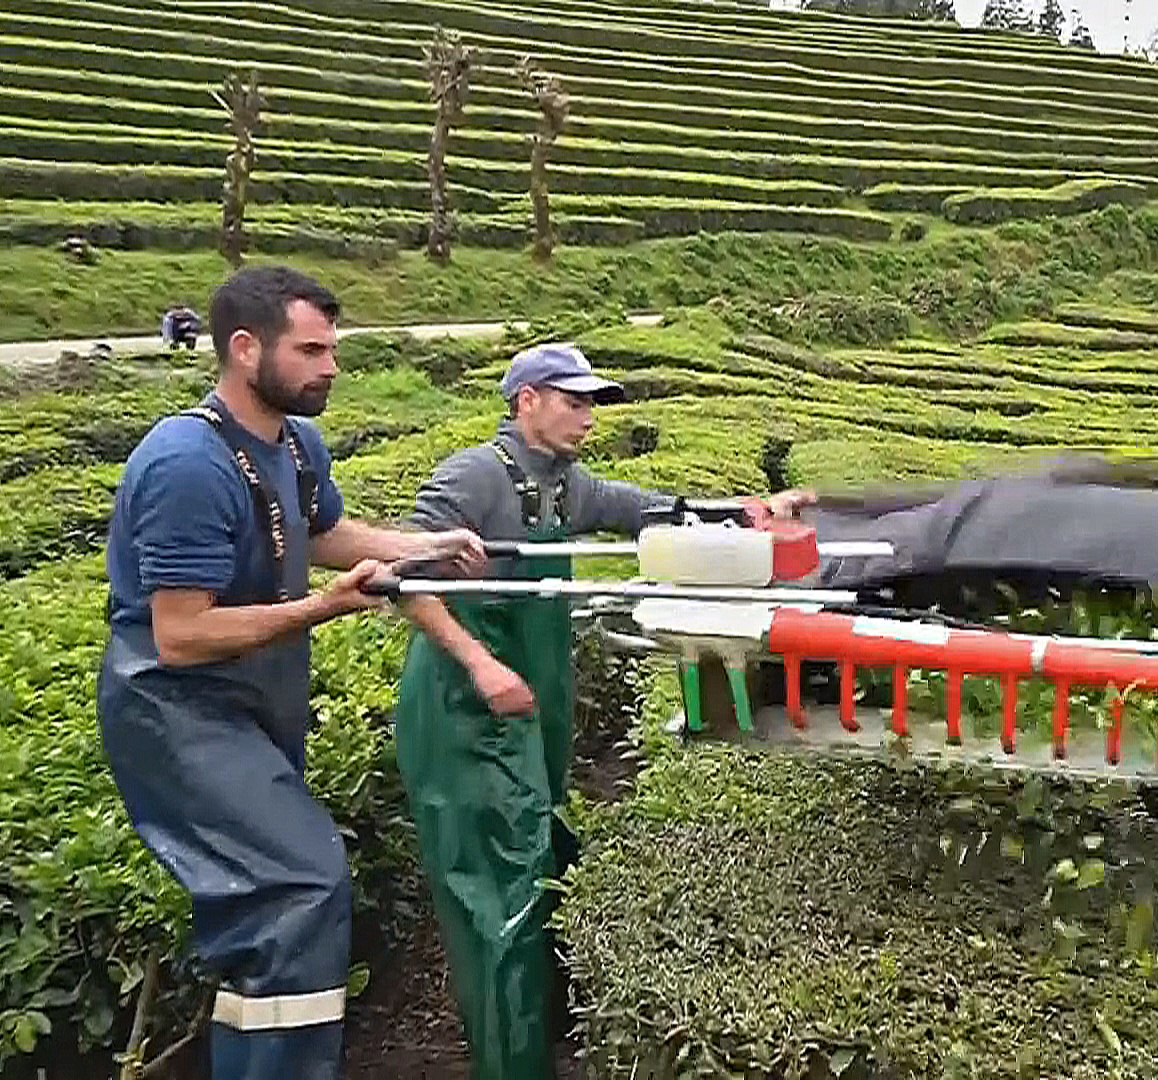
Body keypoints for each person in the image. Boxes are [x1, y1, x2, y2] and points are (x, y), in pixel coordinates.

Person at [96, 265, 487, 1080]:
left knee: (268, 904)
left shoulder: (295, 444)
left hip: (254, 694)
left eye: (332, 349)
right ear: (245, 349)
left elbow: (321, 532)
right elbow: (181, 634)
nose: (331, 366)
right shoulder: (186, 463)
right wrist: (326, 607)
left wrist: (421, 546)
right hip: (177, 709)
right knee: (300, 884)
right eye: (311, 351)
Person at [392, 342, 811, 1080]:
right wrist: (481, 664)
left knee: (538, 853)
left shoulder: (565, 484)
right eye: (574, 401)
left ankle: (541, 1032)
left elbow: (645, 509)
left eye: (592, 404)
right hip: (465, 708)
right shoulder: (474, 475)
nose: (588, 417)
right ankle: (511, 1065)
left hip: (529, 701)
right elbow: (404, 578)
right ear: (526, 401)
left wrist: (750, 511)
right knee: (497, 891)